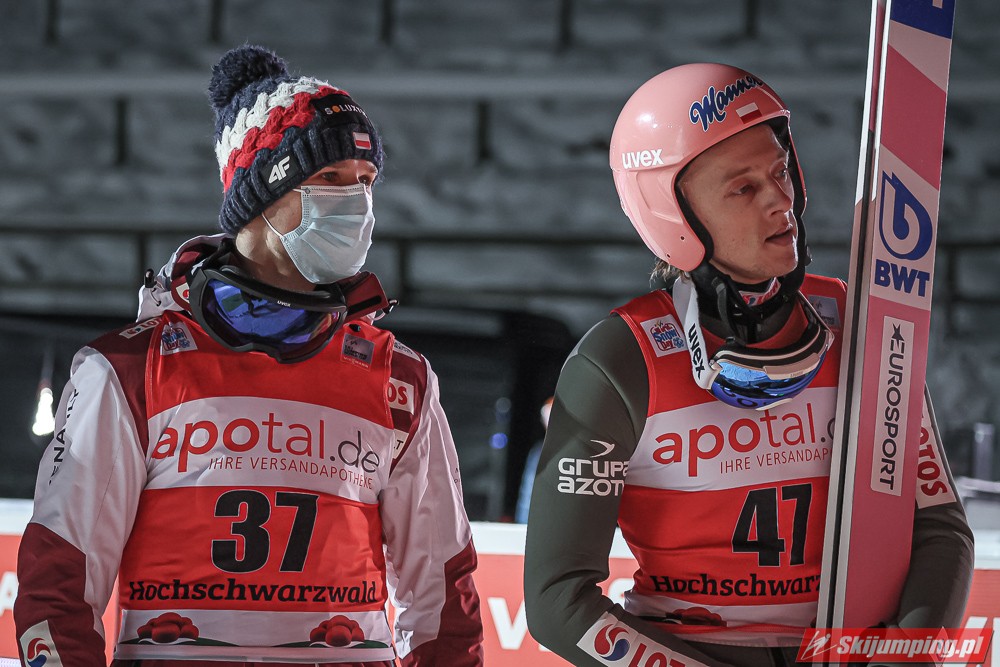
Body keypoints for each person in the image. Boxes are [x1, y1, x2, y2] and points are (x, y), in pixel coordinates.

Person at [14, 45, 484, 667]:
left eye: (366, 182)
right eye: (330, 178)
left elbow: (443, 596)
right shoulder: (128, 371)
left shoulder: (400, 379)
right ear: (263, 192)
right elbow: (57, 586)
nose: (357, 203)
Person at [523, 63, 974, 667]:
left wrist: (902, 658)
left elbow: (939, 527)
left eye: (780, 172)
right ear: (674, 214)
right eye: (743, 189)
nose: (781, 201)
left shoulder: (862, 323)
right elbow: (557, 602)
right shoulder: (622, 359)